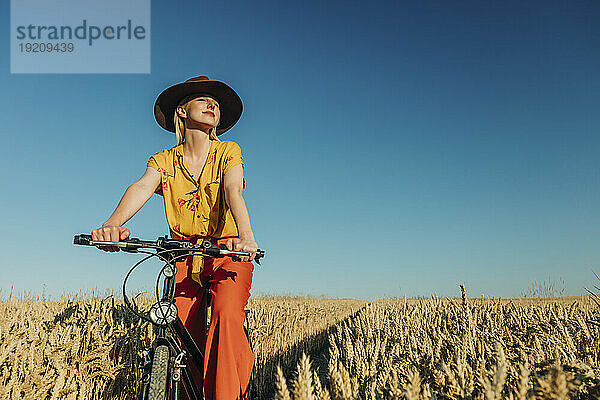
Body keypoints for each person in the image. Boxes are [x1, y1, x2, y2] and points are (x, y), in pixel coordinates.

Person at [91, 75, 259, 400]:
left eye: (216, 103)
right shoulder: (164, 161)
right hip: (181, 256)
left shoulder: (228, 152)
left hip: (227, 251)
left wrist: (246, 236)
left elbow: (232, 189)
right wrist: (111, 224)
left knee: (225, 316)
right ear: (182, 110)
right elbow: (141, 187)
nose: (213, 105)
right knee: (179, 331)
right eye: (203, 99)